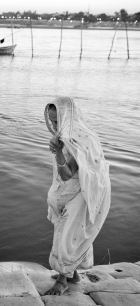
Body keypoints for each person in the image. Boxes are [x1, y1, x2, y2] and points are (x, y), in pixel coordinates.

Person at [44, 97, 111, 295]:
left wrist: (57, 152)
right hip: (72, 193)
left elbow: (66, 174)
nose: (54, 125)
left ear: (68, 117)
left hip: (82, 195)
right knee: (69, 232)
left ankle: (63, 280)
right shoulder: (70, 135)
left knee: (68, 235)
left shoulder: (78, 139)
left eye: (57, 121)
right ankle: (73, 275)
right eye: (52, 121)